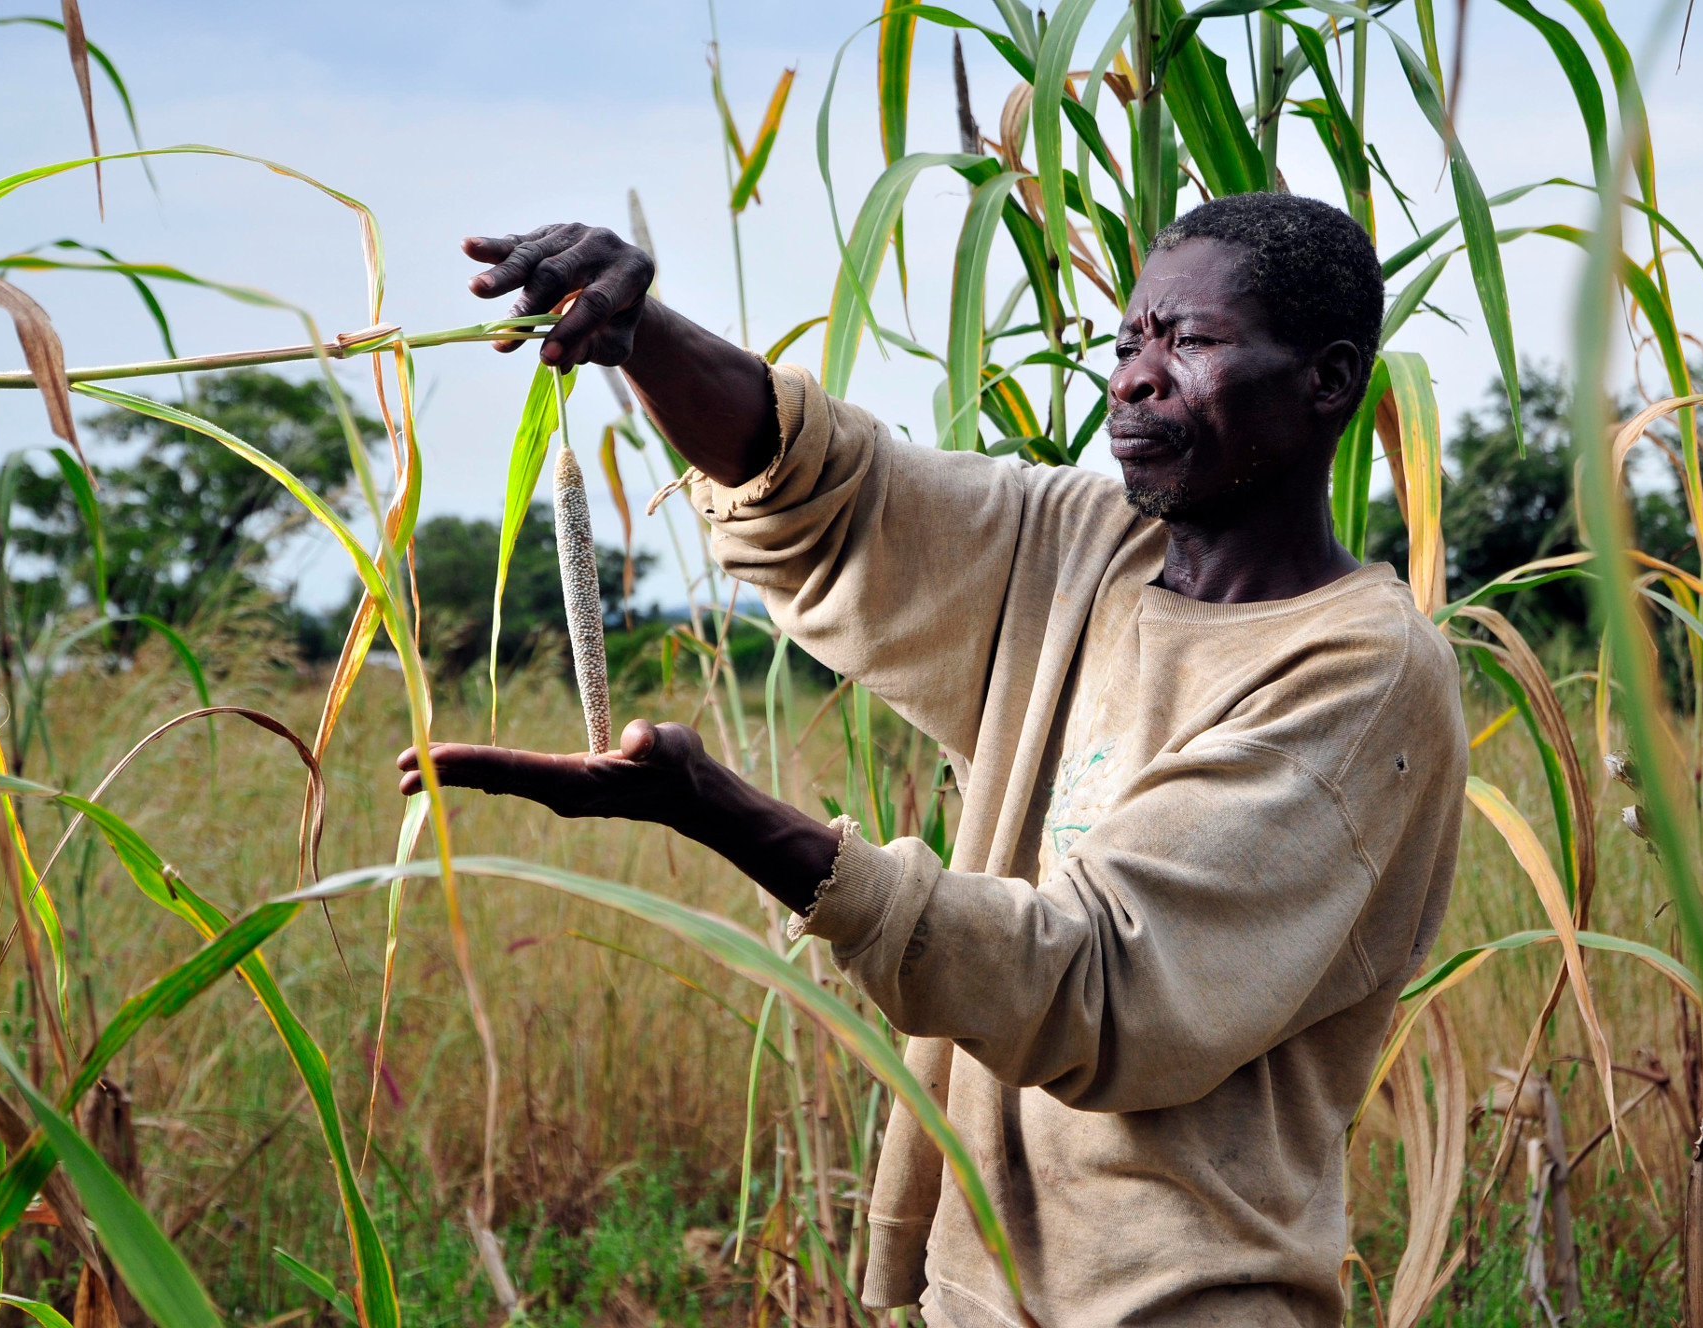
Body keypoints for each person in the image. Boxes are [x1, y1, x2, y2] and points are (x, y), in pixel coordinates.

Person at [396, 192, 1467, 1328]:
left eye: (1190, 342)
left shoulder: (1361, 675)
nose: (1135, 377)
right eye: (1127, 341)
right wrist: (641, 334)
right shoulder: (1078, 547)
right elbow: (827, 493)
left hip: (1183, 1299)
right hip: (979, 1291)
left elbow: (1097, 987)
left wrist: (721, 811)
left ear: (1329, 379)